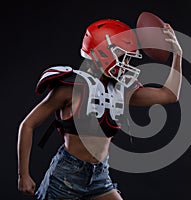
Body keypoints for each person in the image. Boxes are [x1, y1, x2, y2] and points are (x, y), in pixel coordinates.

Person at [17, 18, 182, 200]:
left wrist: (177, 54)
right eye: (122, 56)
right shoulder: (70, 88)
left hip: (100, 175)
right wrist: (22, 174)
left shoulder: (121, 90)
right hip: (67, 175)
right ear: (101, 53)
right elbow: (28, 125)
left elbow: (169, 95)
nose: (126, 62)